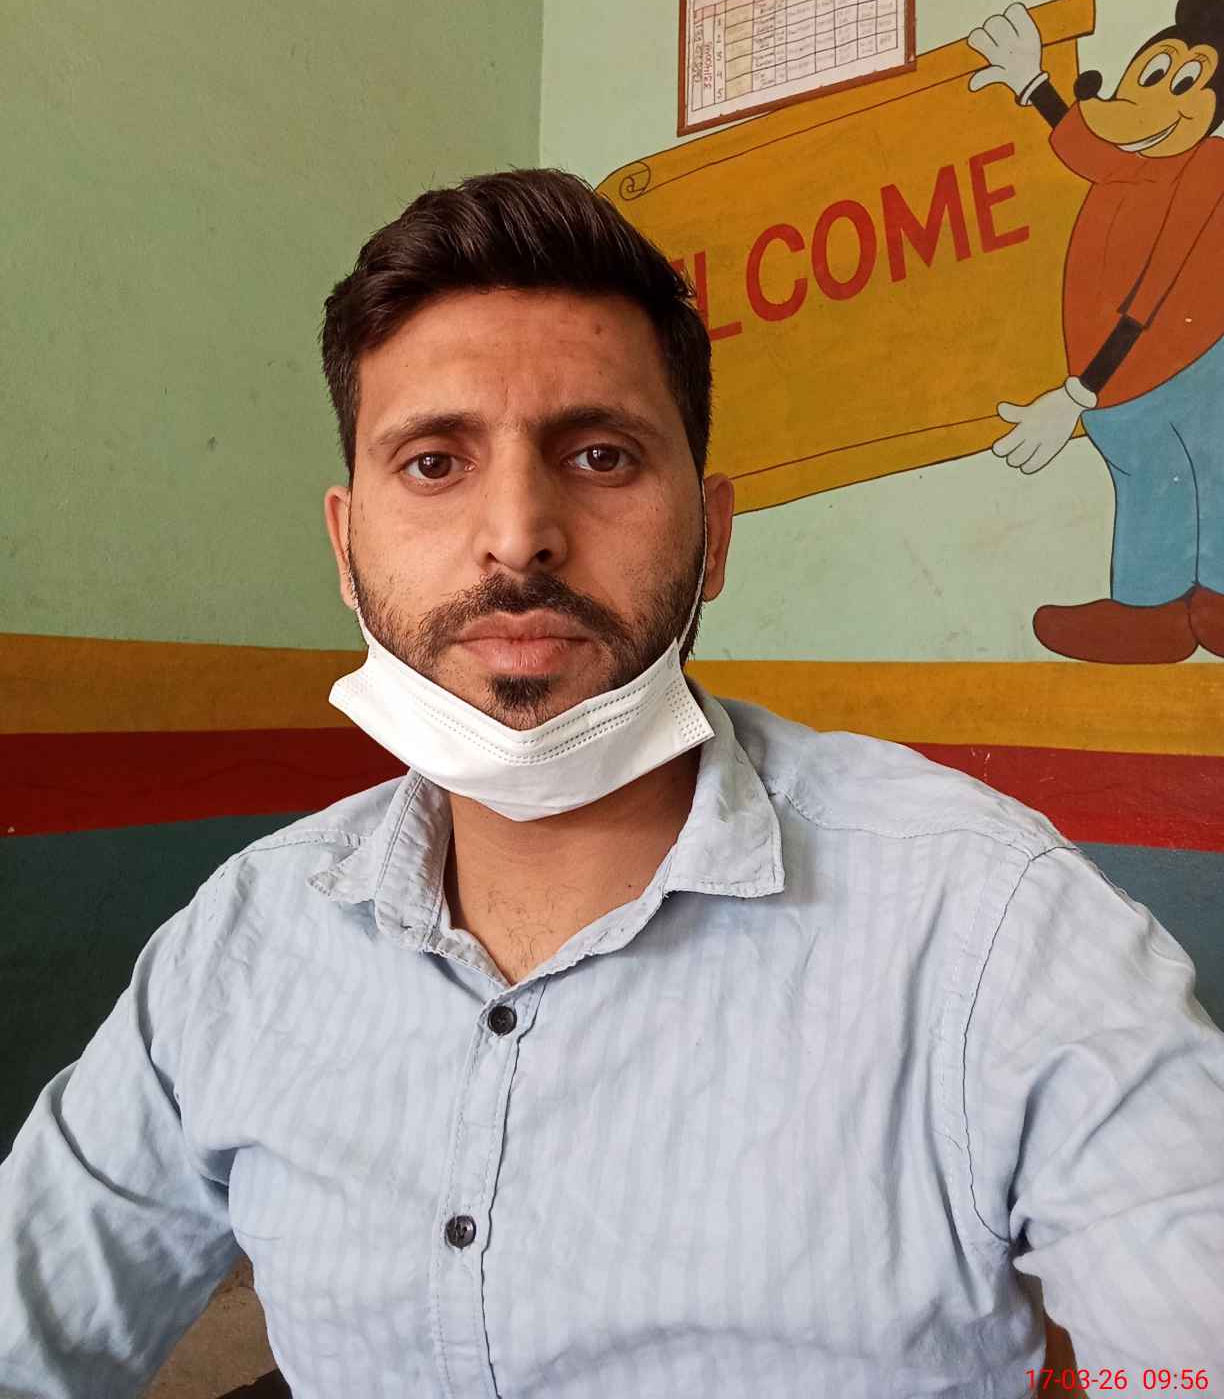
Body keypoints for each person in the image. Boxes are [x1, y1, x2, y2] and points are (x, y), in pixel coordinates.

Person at [1, 169, 1221, 1398]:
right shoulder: (244, 941)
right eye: (433, 462)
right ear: (345, 545)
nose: (518, 532)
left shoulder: (993, 930)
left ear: (714, 536)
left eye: (600, 454)